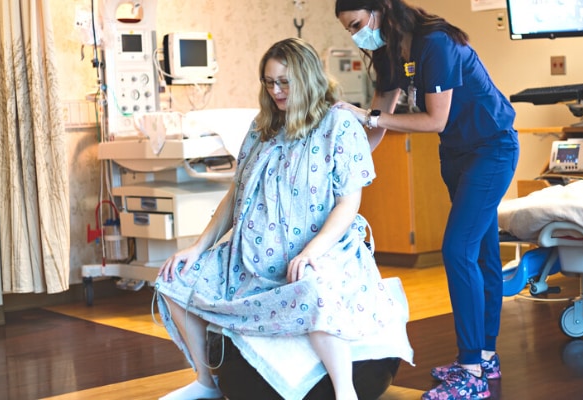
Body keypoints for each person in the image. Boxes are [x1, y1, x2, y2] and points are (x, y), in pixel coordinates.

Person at [154, 37, 405, 400]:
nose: (276, 91)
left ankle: (345, 391)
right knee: (174, 278)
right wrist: (197, 248)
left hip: (319, 248)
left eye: (284, 82)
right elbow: (235, 195)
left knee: (314, 292)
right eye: (269, 82)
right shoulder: (262, 128)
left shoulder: (338, 124)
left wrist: (312, 253)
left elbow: (348, 203)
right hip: (250, 258)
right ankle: (207, 383)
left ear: (307, 79)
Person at [334, 1, 520, 399]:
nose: (355, 35)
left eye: (356, 24)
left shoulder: (435, 43)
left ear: (380, 9)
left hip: (492, 149)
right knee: (483, 252)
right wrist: (348, 167)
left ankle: (470, 371)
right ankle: (485, 357)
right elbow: (378, 120)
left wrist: (368, 116)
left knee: (457, 250)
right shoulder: (390, 53)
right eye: (349, 29)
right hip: (455, 153)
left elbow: (434, 119)